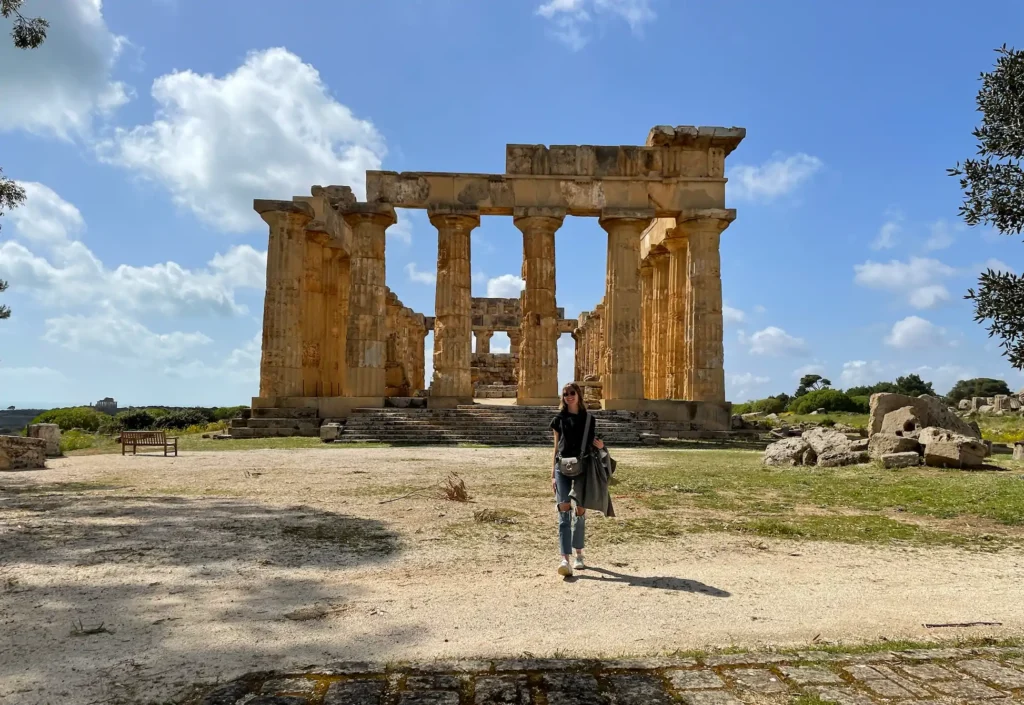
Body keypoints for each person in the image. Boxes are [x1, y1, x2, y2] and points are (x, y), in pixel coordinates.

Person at [549, 382, 604, 577]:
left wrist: (601, 446)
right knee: (563, 509)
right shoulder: (558, 419)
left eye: (572, 393)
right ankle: (565, 558)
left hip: (583, 467)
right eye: (565, 394)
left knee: (580, 510)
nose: (569, 396)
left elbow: (591, 444)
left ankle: (579, 554)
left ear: (578, 395)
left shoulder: (589, 419)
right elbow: (556, 448)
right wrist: (552, 474)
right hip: (561, 467)